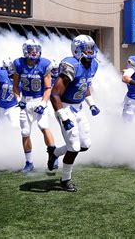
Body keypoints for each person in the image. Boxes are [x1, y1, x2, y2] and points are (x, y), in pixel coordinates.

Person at [50, 35, 100, 192]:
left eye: (92, 47)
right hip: (64, 107)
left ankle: (54, 153)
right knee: (74, 147)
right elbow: (55, 95)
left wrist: (91, 104)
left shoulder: (93, 65)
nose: (90, 51)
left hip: (78, 107)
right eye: (86, 48)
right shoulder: (71, 65)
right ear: (77, 50)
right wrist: (63, 118)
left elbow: (84, 86)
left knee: (85, 145)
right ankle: (65, 179)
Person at [12, 39, 58, 173]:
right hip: (25, 101)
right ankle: (29, 162)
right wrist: (18, 99)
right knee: (25, 132)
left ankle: (53, 155)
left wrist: (43, 104)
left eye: (36, 50)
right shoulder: (19, 63)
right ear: (25, 51)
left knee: (44, 126)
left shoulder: (44, 64)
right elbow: (15, 86)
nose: (34, 53)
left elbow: (49, 88)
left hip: (39, 99)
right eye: (32, 50)